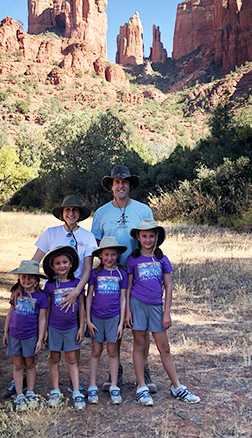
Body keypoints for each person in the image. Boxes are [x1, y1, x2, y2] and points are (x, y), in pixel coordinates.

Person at [3, 194, 96, 399]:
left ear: (80, 214)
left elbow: (88, 268)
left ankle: (75, 383)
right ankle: (23, 378)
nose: (71, 213)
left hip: (76, 290)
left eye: (74, 210)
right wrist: (20, 284)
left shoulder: (88, 237)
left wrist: (76, 292)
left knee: (74, 338)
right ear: (62, 214)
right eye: (67, 210)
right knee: (38, 330)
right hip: (52, 291)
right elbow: (35, 260)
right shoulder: (51, 233)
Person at [91, 165, 156, 392]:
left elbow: (151, 241)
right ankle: (114, 372)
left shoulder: (143, 210)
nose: (121, 185)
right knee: (113, 324)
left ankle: (145, 371)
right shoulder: (100, 214)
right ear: (111, 185)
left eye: (125, 181)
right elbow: (95, 246)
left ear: (130, 185)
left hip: (139, 275)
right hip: (112, 275)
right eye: (117, 181)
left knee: (141, 327)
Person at [125, 219, 200, 406]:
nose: (148, 239)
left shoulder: (161, 259)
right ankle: (141, 387)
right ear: (138, 237)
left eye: (151, 236)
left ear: (157, 237)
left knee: (164, 348)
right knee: (139, 345)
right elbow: (127, 287)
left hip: (156, 306)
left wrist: (167, 312)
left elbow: (168, 286)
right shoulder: (133, 259)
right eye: (144, 236)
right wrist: (127, 311)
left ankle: (177, 387)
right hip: (137, 304)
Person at [85, 236, 128, 405]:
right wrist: (88, 320)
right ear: (100, 256)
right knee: (96, 351)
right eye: (106, 255)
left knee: (113, 352)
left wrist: (121, 322)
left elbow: (123, 298)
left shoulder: (121, 273)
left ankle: (114, 386)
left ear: (117, 256)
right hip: (96, 318)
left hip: (113, 318)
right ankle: (92, 386)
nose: (109, 258)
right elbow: (89, 297)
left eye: (113, 255)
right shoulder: (95, 273)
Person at [42, 246, 86, 410]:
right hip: (54, 327)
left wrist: (82, 327)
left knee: (72, 359)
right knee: (54, 358)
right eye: (58, 263)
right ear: (53, 267)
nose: (62, 266)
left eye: (65, 262)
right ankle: (55, 391)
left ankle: (76, 391)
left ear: (71, 264)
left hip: (71, 328)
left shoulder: (77, 284)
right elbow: (46, 309)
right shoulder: (50, 286)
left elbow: (81, 306)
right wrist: (45, 329)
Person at [3, 260, 48, 411]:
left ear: (37, 280)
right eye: (23, 278)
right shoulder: (16, 293)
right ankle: (19, 395)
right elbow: (10, 313)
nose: (27, 281)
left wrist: (40, 339)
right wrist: (5, 332)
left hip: (30, 336)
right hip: (14, 335)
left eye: (30, 278)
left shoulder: (41, 297)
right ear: (19, 279)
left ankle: (30, 391)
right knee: (17, 365)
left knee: (30, 364)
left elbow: (42, 319)